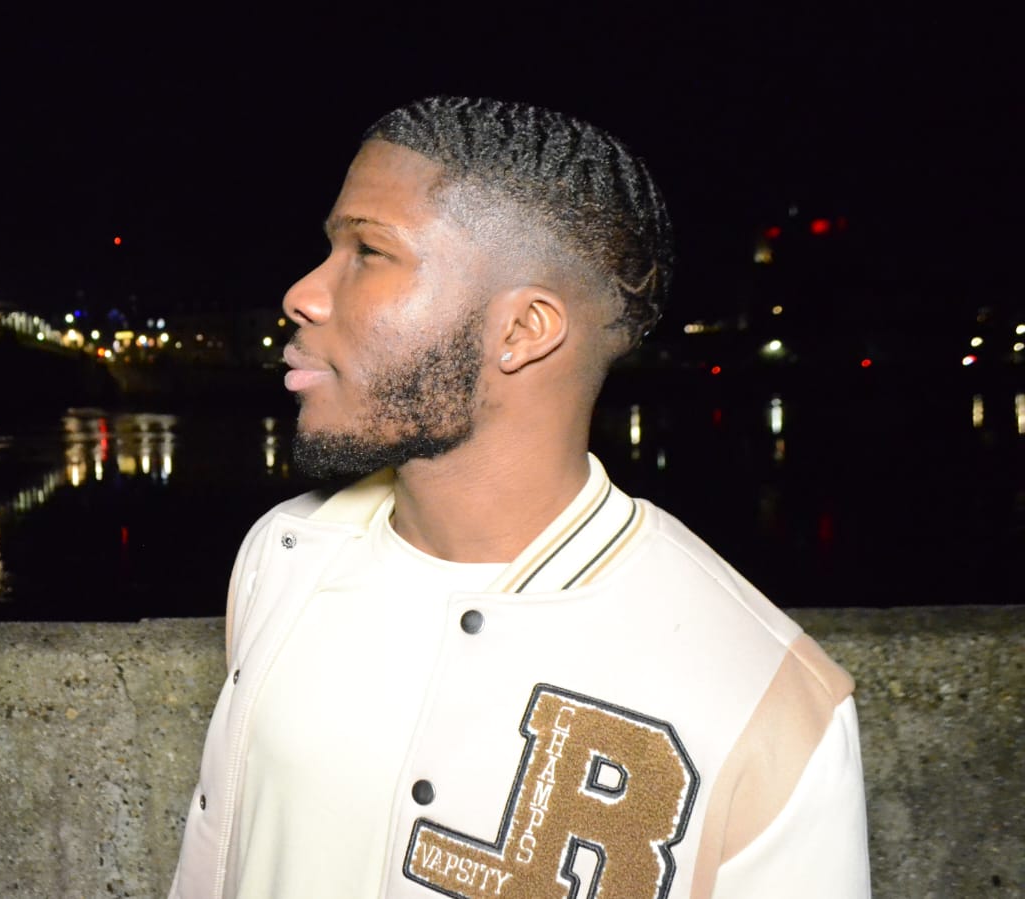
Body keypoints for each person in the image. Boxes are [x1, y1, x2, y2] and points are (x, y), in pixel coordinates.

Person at [168, 97, 870, 898]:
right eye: (331, 247)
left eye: (368, 251)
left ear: (524, 330)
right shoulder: (283, 555)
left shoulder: (765, 697)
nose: (302, 293)